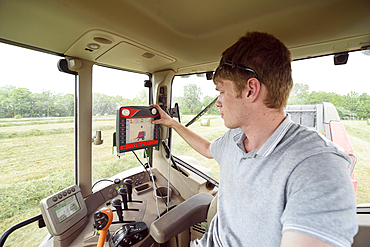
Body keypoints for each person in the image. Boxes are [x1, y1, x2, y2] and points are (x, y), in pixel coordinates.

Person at [152, 31, 358, 247]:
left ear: (251, 90)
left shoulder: (317, 165)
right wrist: (172, 123)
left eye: (221, 91)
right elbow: (207, 148)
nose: (218, 102)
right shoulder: (236, 137)